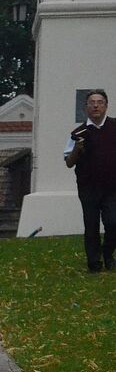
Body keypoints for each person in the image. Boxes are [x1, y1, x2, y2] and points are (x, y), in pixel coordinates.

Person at [65, 89, 116, 272]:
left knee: (113, 222)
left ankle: (108, 252)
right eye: (92, 103)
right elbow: (69, 163)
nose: (96, 106)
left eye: (100, 102)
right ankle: (94, 263)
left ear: (106, 106)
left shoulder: (114, 126)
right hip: (89, 188)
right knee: (91, 225)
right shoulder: (78, 133)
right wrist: (77, 149)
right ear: (86, 107)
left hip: (112, 187)